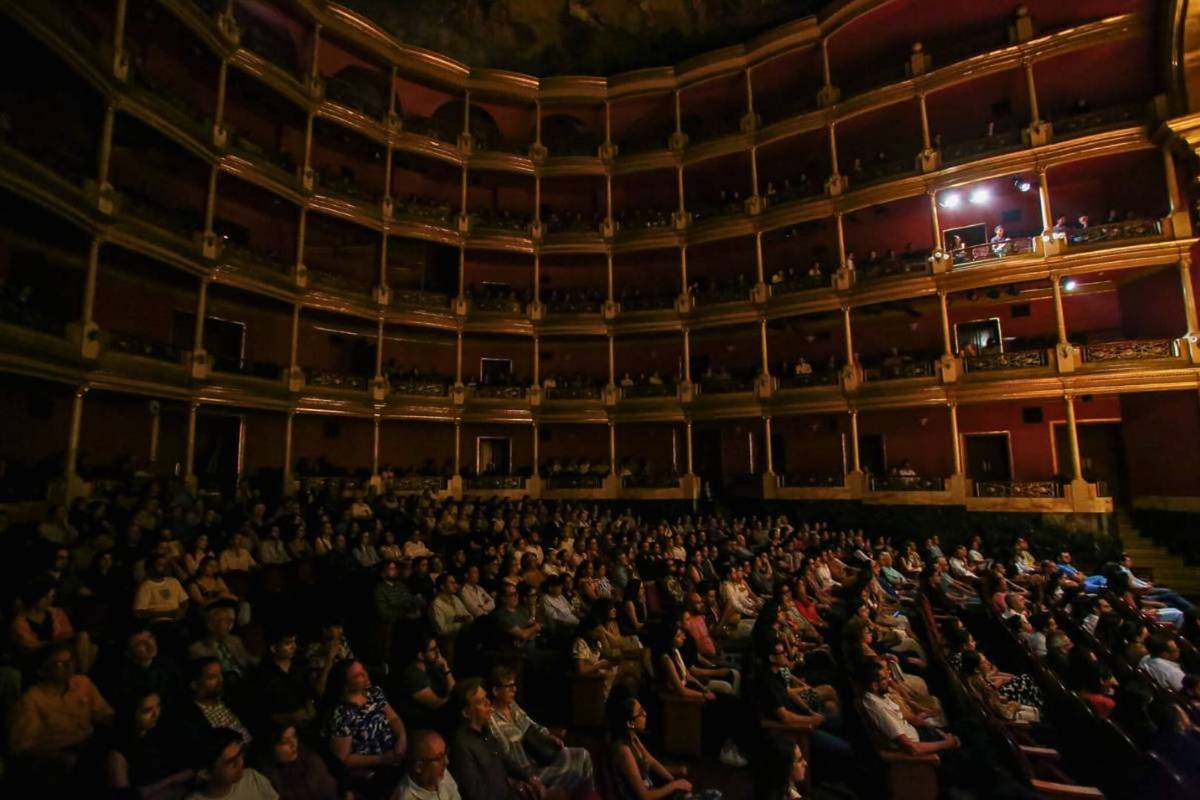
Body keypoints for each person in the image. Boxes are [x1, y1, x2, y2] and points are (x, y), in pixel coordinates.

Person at [487, 665, 594, 792]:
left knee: (583, 755)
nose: (514, 689)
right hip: (526, 772)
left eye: (514, 685)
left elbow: (532, 725)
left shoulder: (512, 705)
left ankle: (588, 794)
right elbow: (503, 752)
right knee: (575, 773)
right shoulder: (490, 718)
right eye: (509, 686)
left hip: (540, 757)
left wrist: (549, 737)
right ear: (495, 691)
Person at [9, 643, 115, 762]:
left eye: (70, 660)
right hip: (55, 757)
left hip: (88, 745)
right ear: (42, 671)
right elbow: (23, 746)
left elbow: (103, 714)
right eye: (60, 664)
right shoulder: (32, 700)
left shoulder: (82, 683)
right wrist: (57, 756)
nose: (69, 666)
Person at [608, 692, 722, 800]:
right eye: (641, 713)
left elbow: (652, 762)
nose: (645, 714)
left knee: (713, 794)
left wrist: (673, 781)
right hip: (648, 796)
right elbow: (644, 796)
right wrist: (674, 785)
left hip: (653, 788)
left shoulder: (633, 737)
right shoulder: (623, 750)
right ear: (630, 723)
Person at [450, 678, 546, 800]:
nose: (488, 703)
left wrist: (530, 777)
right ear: (466, 712)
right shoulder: (462, 746)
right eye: (481, 701)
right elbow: (475, 794)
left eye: (486, 698)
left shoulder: (485, 731)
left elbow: (505, 759)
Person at [324, 658, 407, 790]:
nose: (366, 674)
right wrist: (382, 759)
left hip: (395, 754)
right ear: (346, 686)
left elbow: (393, 719)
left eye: (363, 670)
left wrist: (402, 739)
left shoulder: (374, 692)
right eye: (358, 675)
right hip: (371, 772)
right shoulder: (342, 715)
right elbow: (343, 759)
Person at [103, 689, 192, 797]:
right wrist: (172, 781)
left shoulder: (159, 732)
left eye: (158, 706)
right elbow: (124, 795)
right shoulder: (118, 752)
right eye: (147, 711)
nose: (156, 714)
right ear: (131, 714)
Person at [187, 727, 278, 800]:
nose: (240, 763)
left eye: (240, 755)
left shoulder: (252, 778)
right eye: (230, 762)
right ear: (206, 773)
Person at [256, 722, 339, 800]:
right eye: (285, 742)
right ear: (271, 748)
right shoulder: (265, 778)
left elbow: (328, 788)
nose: (293, 744)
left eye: (294, 736)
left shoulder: (308, 758)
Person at [396, 635, 457, 733]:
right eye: (433, 650)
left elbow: (453, 689)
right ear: (421, 655)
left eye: (437, 647)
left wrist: (446, 669)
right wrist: (456, 698)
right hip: (421, 724)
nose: (438, 652)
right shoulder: (413, 675)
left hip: (439, 715)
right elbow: (437, 704)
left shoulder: (433, 666)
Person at [393, 729, 462, 800]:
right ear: (419, 767)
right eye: (438, 758)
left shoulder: (440, 773)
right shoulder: (407, 797)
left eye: (445, 753)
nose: (447, 762)